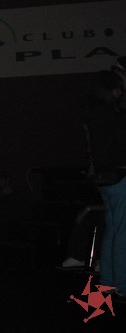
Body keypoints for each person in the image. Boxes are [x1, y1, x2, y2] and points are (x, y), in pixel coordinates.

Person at [85, 70, 126, 301]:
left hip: (104, 177)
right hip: (119, 175)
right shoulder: (110, 114)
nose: (120, 92)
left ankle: (108, 281)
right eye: (118, 88)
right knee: (122, 231)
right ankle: (122, 283)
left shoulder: (94, 112)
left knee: (112, 229)